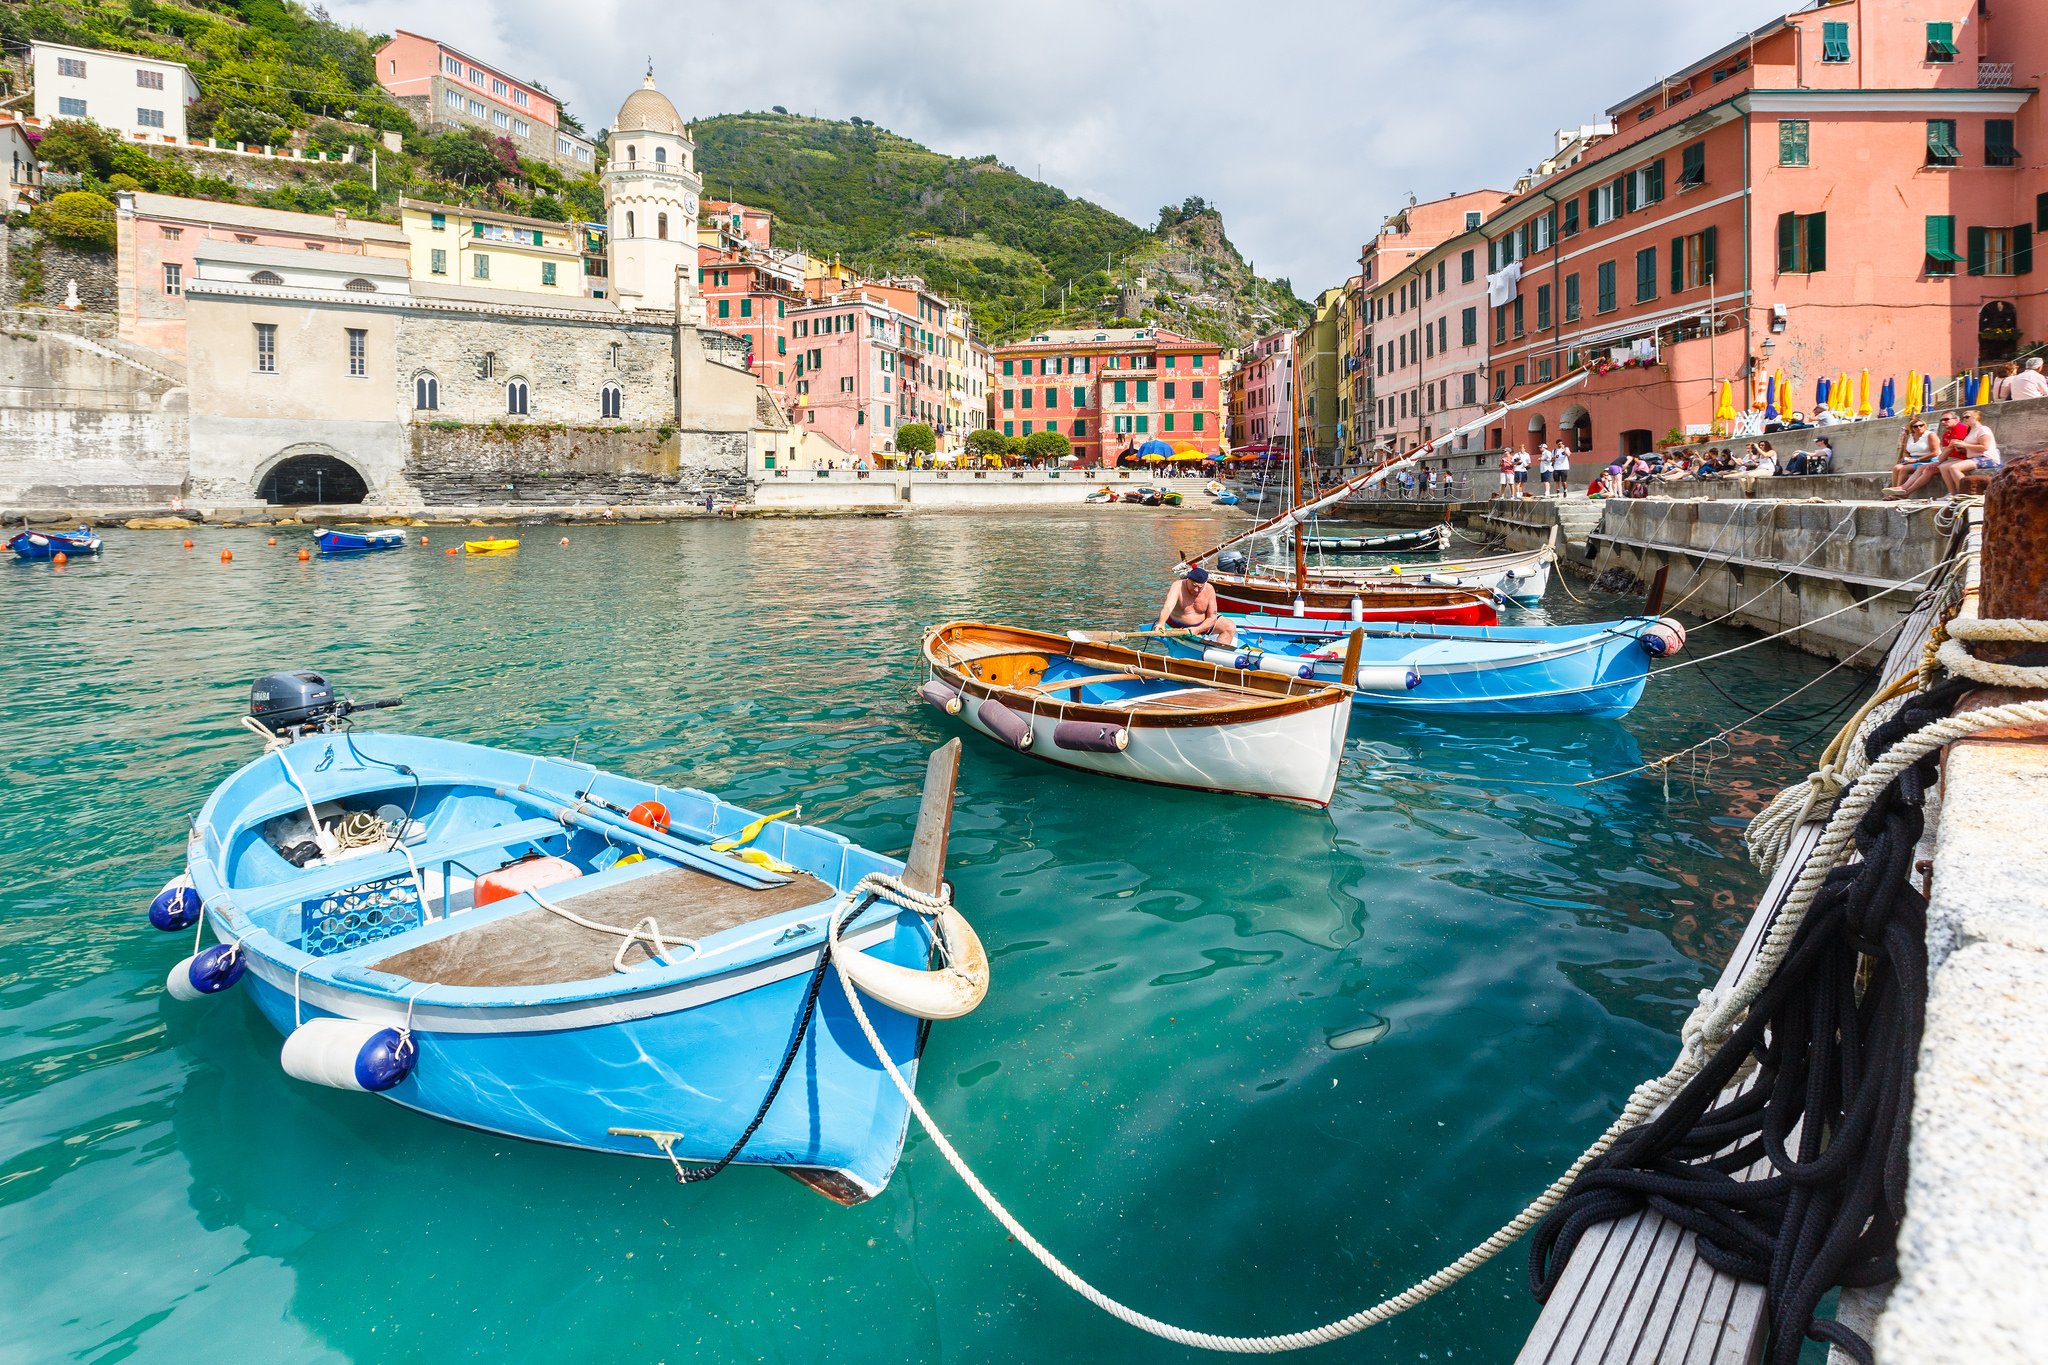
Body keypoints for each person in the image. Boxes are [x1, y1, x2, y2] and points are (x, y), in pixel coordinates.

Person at [1890, 411, 2000, 498]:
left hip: (1971, 458)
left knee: (1938, 468)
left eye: (1946, 419)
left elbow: (1982, 447)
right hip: (1956, 458)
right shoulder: (1949, 433)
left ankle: (1965, 493)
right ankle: (1903, 489)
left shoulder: (1963, 428)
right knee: (1920, 468)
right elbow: (1948, 450)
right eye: (1941, 420)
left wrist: (1958, 447)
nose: (1943, 422)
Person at [1156, 565, 1237, 645]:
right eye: (1193, 585)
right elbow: (1168, 607)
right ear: (1188, 579)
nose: (1196, 590)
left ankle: (1220, 652)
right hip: (1179, 625)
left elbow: (1212, 617)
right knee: (1195, 638)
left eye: (1200, 587)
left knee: (1229, 627)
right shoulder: (1177, 586)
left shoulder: (1209, 588)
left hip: (1202, 625)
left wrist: (1198, 629)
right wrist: (1161, 623)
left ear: (1205, 583)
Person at [1888, 419, 1938, 491]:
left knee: (1904, 469)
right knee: (1896, 468)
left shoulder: (1930, 435)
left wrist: (1917, 460)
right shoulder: (1909, 437)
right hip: (1913, 459)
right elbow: (1905, 451)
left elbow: (1935, 452)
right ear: (1912, 428)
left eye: (1921, 425)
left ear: (1925, 426)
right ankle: (1893, 490)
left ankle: (1899, 491)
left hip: (1928, 459)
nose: (1919, 428)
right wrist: (1906, 458)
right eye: (1915, 426)